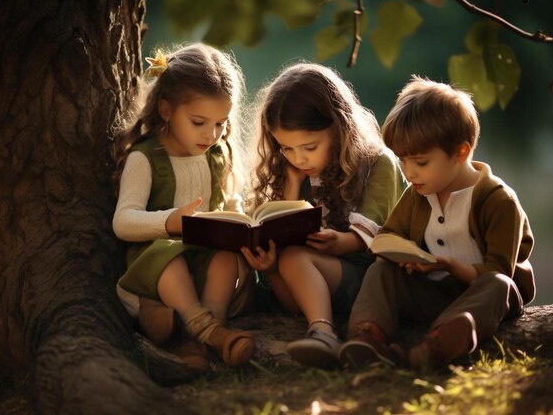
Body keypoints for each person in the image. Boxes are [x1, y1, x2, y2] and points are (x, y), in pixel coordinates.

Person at [339, 76, 535, 371]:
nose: (409, 172)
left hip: (484, 299)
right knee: (381, 271)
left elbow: (498, 269)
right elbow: (390, 234)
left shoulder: (497, 200)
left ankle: (438, 344)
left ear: (461, 152)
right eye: (402, 161)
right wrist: (403, 256)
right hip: (433, 294)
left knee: (498, 285)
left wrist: (450, 267)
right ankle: (368, 338)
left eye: (420, 162)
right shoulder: (417, 195)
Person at [242, 62, 405, 369]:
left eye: (309, 146)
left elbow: (372, 240)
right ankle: (316, 324)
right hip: (306, 281)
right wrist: (290, 187)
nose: (298, 158)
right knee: (284, 262)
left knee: (294, 259)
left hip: (368, 279)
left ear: (339, 127)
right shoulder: (296, 171)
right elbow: (284, 235)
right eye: (286, 148)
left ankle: (324, 333)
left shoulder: (377, 163)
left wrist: (340, 242)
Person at [112, 43, 256, 372]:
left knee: (223, 258)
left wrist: (244, 224)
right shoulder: (145, 157)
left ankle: (203, 333)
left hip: (203, 257)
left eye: (220, 123)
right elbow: (122, 221)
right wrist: (170, 222)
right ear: (166, 110)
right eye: (199, 122)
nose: (212, 134)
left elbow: (228, 204)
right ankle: (207, 333)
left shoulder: (217, 156)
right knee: (171, 257)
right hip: (157, 263)